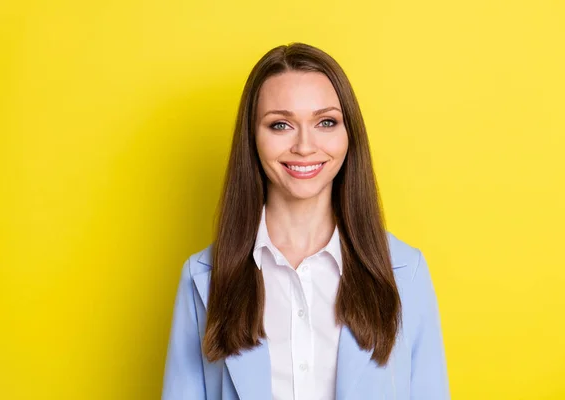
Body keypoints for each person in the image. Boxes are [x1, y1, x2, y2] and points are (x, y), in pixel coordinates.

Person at [162, 42, 449, 400]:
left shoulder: (405, 272)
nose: (305, 145)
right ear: (252, 138)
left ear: (349, 134)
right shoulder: (203, 279)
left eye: (325, 122)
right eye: (280, 125)